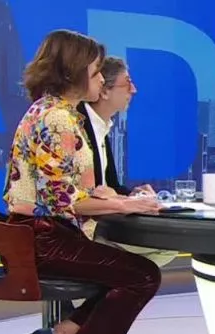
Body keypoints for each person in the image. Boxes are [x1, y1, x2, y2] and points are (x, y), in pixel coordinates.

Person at [3, 29, 162, 334]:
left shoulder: (55, 112)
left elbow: (64, 188)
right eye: (95, 72)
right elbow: (64, 201)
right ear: (73, 73)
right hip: (44, 237)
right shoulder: (57, 119)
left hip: (45, 232)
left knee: (124, 272)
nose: (101, 80)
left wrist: (106, 195)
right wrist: (124, 204)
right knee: (143, 275)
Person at [76, 56, 177, 266]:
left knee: (168, 246)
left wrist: (131, 195)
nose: (134, 90)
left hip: (101, 222)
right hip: (81, 228)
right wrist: (121, 202)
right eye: (127, 83)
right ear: (104, 90)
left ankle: (111, 279)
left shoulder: (101, 126)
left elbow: (109, 186)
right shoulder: (76, 124)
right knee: (166, 246)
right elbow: (83, 194)